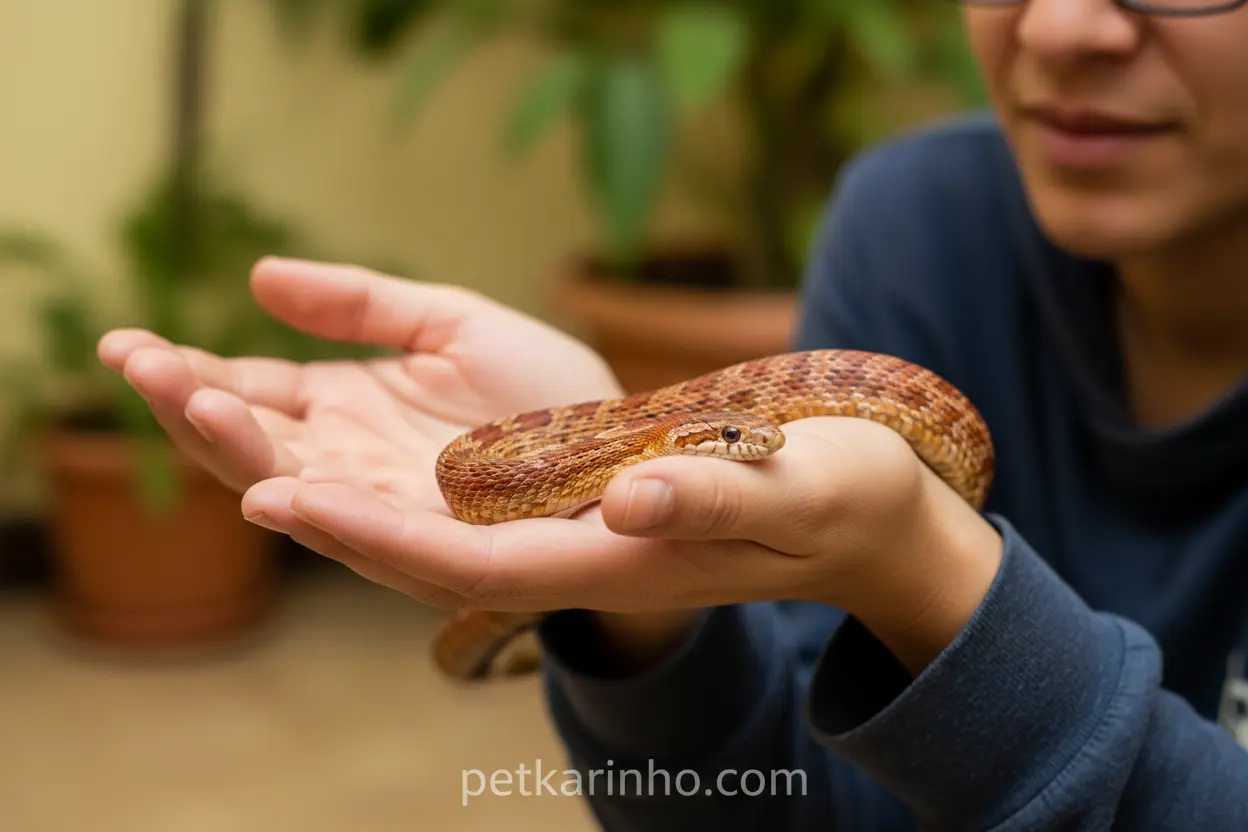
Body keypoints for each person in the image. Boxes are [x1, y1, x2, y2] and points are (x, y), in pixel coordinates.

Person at [96, 0, 1248, 827]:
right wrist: (634, 602)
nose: (1060, 24)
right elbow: (790, 805)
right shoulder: (912, 227)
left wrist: (924, 574)